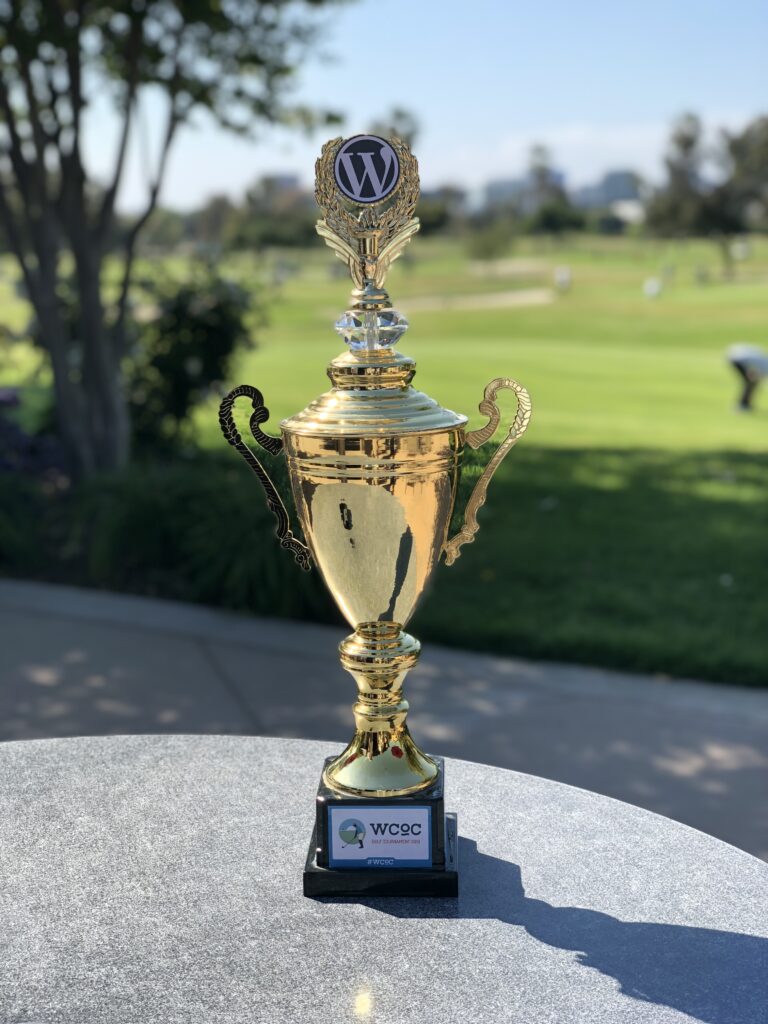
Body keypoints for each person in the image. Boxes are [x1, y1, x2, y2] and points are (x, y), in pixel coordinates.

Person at [726, 344, 768, 411]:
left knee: (752, 381)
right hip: (737, 358)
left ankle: (745, 404)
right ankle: (742, 405)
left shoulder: (765, 361)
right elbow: (759, 374)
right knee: (750, 382)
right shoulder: (766, 366)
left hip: (735, 354)